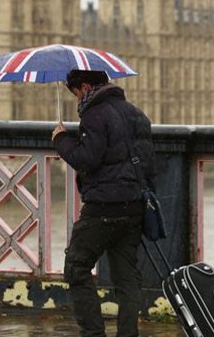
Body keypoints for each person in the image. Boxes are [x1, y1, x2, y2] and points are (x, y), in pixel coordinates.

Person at [51, 69, 157, 337]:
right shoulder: (137, 114)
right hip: (134, 206)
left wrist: (61, 140)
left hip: (103, 207)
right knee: (127, 278)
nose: (76, 100)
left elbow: (86, 158)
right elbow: (147, 164)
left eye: (74, 93)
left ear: (84, 87)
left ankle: (93, 333)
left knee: (76, 268)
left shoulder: (94, 114)